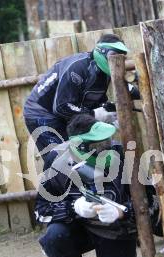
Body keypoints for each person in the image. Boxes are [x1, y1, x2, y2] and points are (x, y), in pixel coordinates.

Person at [35, 114, 139, 257]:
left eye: (106, 141)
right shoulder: (57, 161)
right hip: (80, 230)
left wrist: (122, 213)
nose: (106, 148)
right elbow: (41, 210)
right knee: (53, 239)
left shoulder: (122, 154)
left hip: (114, 231)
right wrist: (74, 208)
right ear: (79, 146)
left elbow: (149, 202)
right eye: (98, 145)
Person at [23, 34, 139, 164]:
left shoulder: (104, 73)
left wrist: (109, 115)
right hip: (41, 113)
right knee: (62, 161)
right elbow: (62, 106)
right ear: (102, 51)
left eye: (122, 57)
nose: (117, 60)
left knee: (84, 156)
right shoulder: (78, 68)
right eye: (113, 55)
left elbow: (92, 102)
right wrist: (94, 114)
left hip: (63, 115)